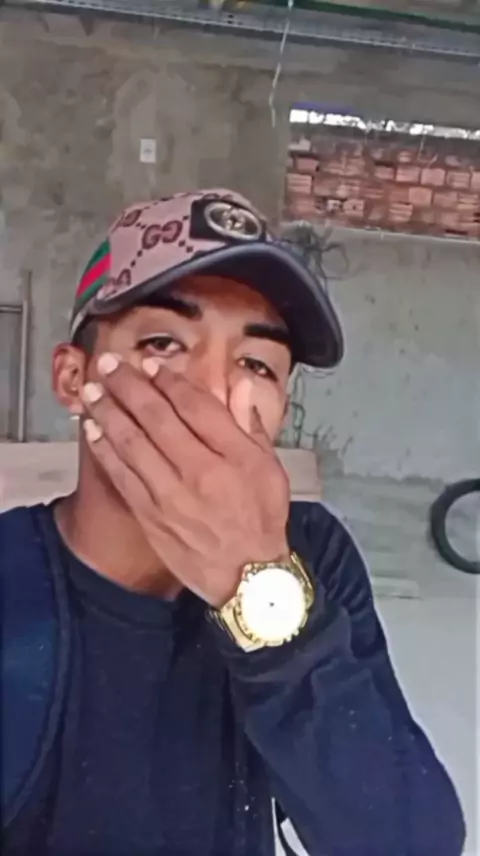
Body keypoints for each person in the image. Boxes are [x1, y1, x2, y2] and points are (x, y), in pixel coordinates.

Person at [1, 188, 465, 856]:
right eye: (164, 342)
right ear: (74, 379)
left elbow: (410, 840)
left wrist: (257, 588)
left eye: (256, 364)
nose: (214, 392)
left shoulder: (308, 555)